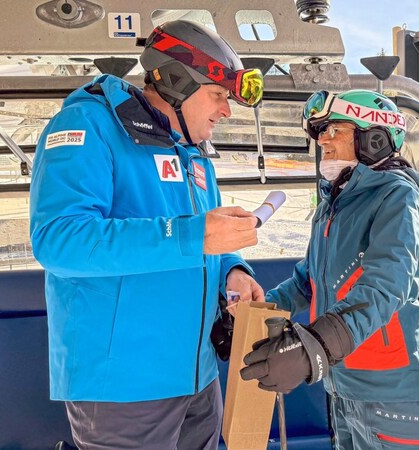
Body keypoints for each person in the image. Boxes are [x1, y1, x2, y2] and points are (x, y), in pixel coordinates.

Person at [29, 20, 265, 449]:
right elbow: (60, 239)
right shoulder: (89, 126)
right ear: (177, 83)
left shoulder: (194, 154)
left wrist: (233, 270)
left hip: (198, 374)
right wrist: (194, 237)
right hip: (124, 385)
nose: (226, 111)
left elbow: (203, 237)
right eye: (217, 95)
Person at [239, 89, 419, 449]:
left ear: (374, 137)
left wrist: (312, 347)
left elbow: (385, 287)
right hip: (341, 383)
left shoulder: (398, 196)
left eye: (336, 130)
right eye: (320, 133)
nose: (324, 140)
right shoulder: (336, 199)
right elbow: (310, 278)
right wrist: (259, 309)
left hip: (389, 388)